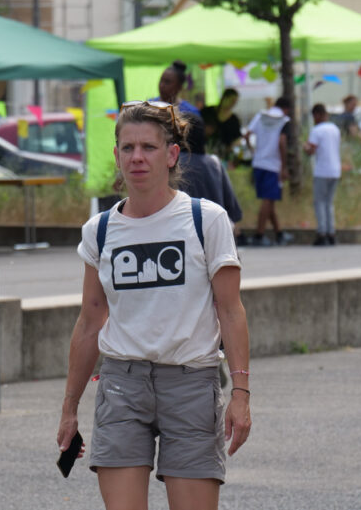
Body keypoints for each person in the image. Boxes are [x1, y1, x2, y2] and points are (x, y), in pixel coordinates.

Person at [57, 100, 251, 510]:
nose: (137, 157)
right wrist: (70, 408)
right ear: (116, 155)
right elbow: (90, 320)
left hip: (191, 383)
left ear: (172, 154)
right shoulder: (101, 230)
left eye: (148, 147)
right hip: (121, 385)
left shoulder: (206, 220)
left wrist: (241, 395)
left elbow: (231, 311)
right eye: (127, 148)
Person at [179, 113, 243, 226]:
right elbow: (233, 210)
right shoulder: (214, 163)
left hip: (183, 230)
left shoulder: (173, 165)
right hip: (215, 230)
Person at [245, 97, 292, 246]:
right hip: (273, 164)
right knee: (268, 200)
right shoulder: (284, 120)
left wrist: (253, 151)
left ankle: (279, 234)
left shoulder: (260, 116)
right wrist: (283, 167)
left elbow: (247, 135)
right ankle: (259, 235)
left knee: (270, 200)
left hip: (259, 162)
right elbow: (282, 142)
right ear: (286, 109)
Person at [304, 104, 342, 246]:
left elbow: (311, 150)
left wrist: (305, 147)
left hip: (322, 170)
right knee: (329, 203)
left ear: (317, 115)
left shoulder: (316, 130)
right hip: (335, 170)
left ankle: (322, 233)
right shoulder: (335, 129)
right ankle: (331, 232)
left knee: (319, 202)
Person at [211, 88, 242, 163]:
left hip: (225, 156)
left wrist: (231, 148)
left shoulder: (234, 119)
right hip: (209, 152)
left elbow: (238, 139)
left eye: (235, 102)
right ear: (224, 97)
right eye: (231, 101)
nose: (233, 104)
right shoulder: (209, 112)